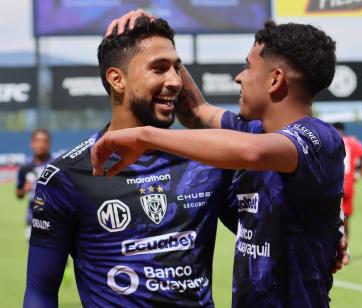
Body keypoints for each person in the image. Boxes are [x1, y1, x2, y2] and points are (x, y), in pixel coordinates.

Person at [94, 12, 347, 308]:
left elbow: (255, 152)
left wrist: (144, 137)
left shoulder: (319, 138)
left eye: (248, 67)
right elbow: (195, 110)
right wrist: (162, 42)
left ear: (275, 80)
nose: (239, 77)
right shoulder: (252, 130)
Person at [24, 17, 238, 307]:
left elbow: (264, 238)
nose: (175, 81)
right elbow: (40, 293)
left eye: (177, 68)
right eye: (159, 68)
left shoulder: (204, 162)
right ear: (117, 79)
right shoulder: (66, 176)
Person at [332, 122, 362, 240]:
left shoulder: (329, 142)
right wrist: (358, 176)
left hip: (333, 184)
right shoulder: (353, 143)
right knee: (346, 217)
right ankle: (346, 246)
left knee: (331, 217)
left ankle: (336, 246)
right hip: (348, 184)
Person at [16, 129, 52, 240]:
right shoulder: (26, 167)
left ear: (49, 143)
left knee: (58, 256)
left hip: (54, 218)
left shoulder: (56, 164)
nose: (40, 144)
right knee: (36, 255)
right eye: (37, 141)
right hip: (33, 218)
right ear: (31, 143)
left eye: (44, 141)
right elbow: (19, 194)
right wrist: (24, 189)